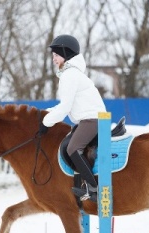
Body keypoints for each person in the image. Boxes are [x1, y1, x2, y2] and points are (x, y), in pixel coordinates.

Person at [38, 34, 106, 201]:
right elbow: (63, 105)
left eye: (56, 55)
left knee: (73, 148)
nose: (53, 59)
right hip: (88, 119)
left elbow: (64, 108)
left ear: (65, 54)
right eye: (53, 56)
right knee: (68, 145)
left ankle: (94, 189)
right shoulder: (71, 74)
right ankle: (84, 184)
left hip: (92, 120)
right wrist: (46, 114)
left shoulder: (70, 75)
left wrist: (46, 122)